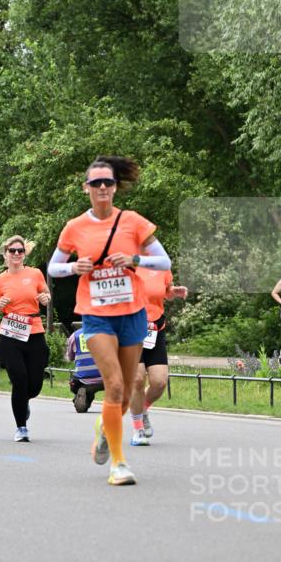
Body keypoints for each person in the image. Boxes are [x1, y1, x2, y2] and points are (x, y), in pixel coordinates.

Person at [48, 156, 171, 486]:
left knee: (127, 386)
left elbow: (163, 260)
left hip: (133, 314)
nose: (102, 188)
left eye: (108, 183)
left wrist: (133, 259)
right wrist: (73, 268)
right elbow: (53, 267)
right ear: (86, 188)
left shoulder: (132, 222)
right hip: (97, 314)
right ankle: (119, 464)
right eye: (96, 183)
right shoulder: (75, 227)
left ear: (116, 187)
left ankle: (106, 426)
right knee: (115, 385)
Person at [0, 237, 50, 442]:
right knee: (19, 379)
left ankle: (24, 401)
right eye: (12, 251)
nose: (16, 254)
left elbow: (46, 295)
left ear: (24, 253)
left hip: (34, 331)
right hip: (10, 334)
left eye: (20, 251)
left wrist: (45, 299)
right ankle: (21, 427)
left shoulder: (35, 273)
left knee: (34, 385)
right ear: (5, 254)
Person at [128, 270, 188, 446]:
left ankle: (143, 409)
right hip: (130, 329)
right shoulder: (126, 262)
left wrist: (173, 291)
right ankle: (138, 428)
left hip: (154, 330)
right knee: (137, 380)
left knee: (160, 382)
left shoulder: (161, 265)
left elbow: (166, 291)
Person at [65, 325, 104, 413]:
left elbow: (70, 358)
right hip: (104, 379)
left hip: (81, 379)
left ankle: (83, 396)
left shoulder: (75, 335)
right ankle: (87, 394)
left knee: (74, 385)